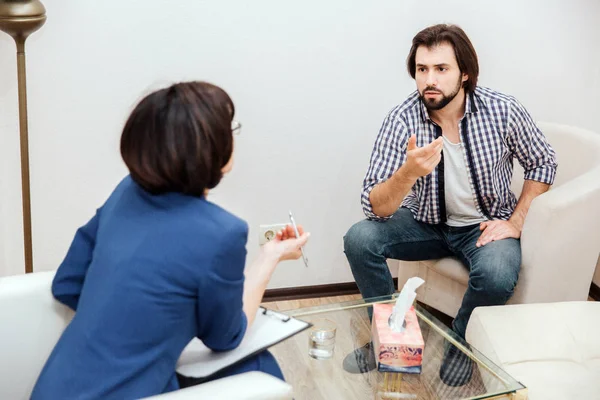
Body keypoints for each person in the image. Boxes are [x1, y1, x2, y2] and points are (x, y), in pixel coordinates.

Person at [31, 81, 310, 399]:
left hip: (51, 389)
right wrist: (268, 258)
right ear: (211, 146)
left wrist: (144, 326)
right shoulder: (222, 232)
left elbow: (67, 284)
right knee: (259, 364)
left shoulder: (127, 191)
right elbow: (226, 337)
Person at [343, 24, 557, 385]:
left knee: (497, 274)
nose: (430, 79)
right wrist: (406, 174)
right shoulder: (401, 119)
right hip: (426, 222)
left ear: (465, 73)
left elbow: (543, 162)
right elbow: (374, 205)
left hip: (485, 226)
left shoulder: (502, 110)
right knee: (359, 239)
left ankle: (460, 342)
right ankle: (389, 335)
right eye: (422, 70)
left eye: (441, 69)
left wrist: (517, 221)